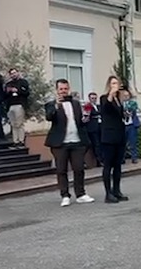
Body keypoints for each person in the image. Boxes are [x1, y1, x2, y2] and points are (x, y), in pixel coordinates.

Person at [44, 79, 95, 207]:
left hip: (76, 141)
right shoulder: (51, 104)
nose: (63, 91)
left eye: (65, 89)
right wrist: (56, 105)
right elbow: (49, 117)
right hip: (60, 143)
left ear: (68, 89)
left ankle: (81, 194)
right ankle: (65, 195)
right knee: (61, 170)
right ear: (57, 90)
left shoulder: (76, 104)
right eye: (61, 89)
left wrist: (85, 118)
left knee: (79, 169)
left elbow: (80, 121)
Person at [100, 76, 128, 203]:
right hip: (109, 137)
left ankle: (116, 190)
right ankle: (108, 193)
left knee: (118, 165)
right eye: (113, 83)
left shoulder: (118, 100)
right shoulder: (105, 98)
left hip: (119, 136)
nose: (116, 85)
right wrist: (111, 93)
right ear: (109, 85)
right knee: (108, 165)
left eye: (117, 83)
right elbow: (105, 108)